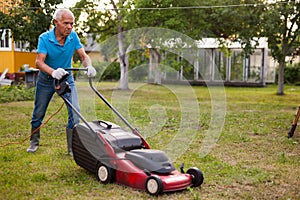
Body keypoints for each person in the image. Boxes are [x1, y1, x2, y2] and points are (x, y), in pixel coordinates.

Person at [27, 9, 96, 155]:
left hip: (67, 79)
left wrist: (89, 65)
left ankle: (72, 148)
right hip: (46, 80)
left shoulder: (73, 37)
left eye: (72, 24)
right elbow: (39, 62)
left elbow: (83, 56)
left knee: (75, 111)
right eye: (66, 23)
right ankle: (34, 142)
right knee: (38, 113)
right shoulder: (45, 38)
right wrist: (53, 72)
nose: (69, 27)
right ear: (55, 22)